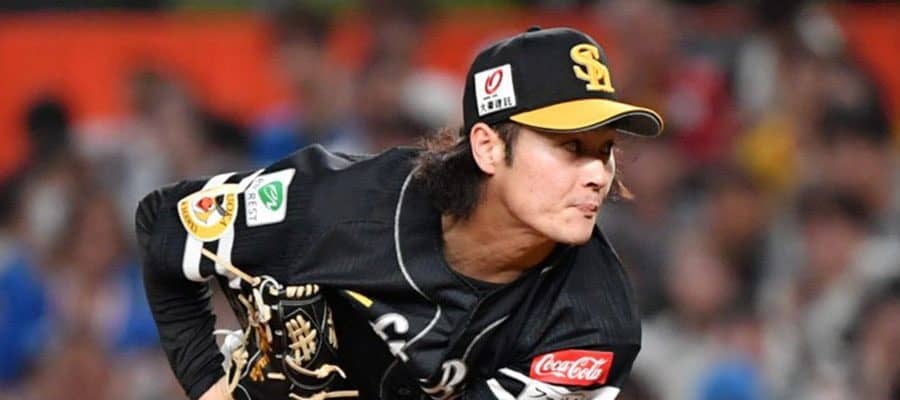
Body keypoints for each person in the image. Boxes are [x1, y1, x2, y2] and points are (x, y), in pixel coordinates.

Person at [135, 27, 663, 400]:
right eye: (570, 147)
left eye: (605, 150)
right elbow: (164, 223)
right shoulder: (334, 203)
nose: (598, 174)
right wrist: (207, 385)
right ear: (488, 147)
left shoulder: (593, 325)